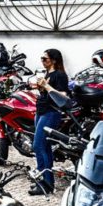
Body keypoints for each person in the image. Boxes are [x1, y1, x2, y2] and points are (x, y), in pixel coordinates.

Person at [31, 49, 71, 195]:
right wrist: (41, 87)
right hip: (41, 112)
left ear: (54, 60)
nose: (42, 61)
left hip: (51, 113)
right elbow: (47, 94)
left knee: (38, 146)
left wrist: (46, 86)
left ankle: (46, 184)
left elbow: (63, 95)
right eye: (41, 58)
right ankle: (44, 182)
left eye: (45, 59)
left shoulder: (60, 75)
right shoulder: (48, 73)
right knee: (44, 147)